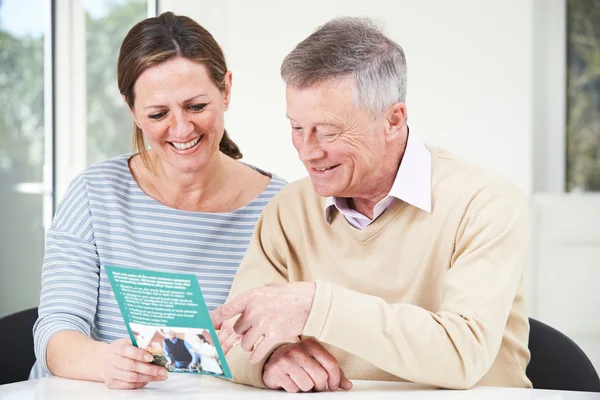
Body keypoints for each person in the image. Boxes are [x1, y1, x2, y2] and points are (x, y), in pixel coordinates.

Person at [212, 17, 531, 393]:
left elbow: (463, 355)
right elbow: (229, 338)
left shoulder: (485, 203)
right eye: (297, 128)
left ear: (393, 120)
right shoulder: (289, 210)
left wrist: (318, 305)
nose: (308, 151)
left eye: (329, 132)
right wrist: (270, 360)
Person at [29, 12, 286, 390]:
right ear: (132, 110)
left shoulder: (280, 207)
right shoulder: (94, 194)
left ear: (226, 90)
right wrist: (104, 361)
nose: (182, 129)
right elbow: (54, 331)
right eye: (158, 113)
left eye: (196, 106)